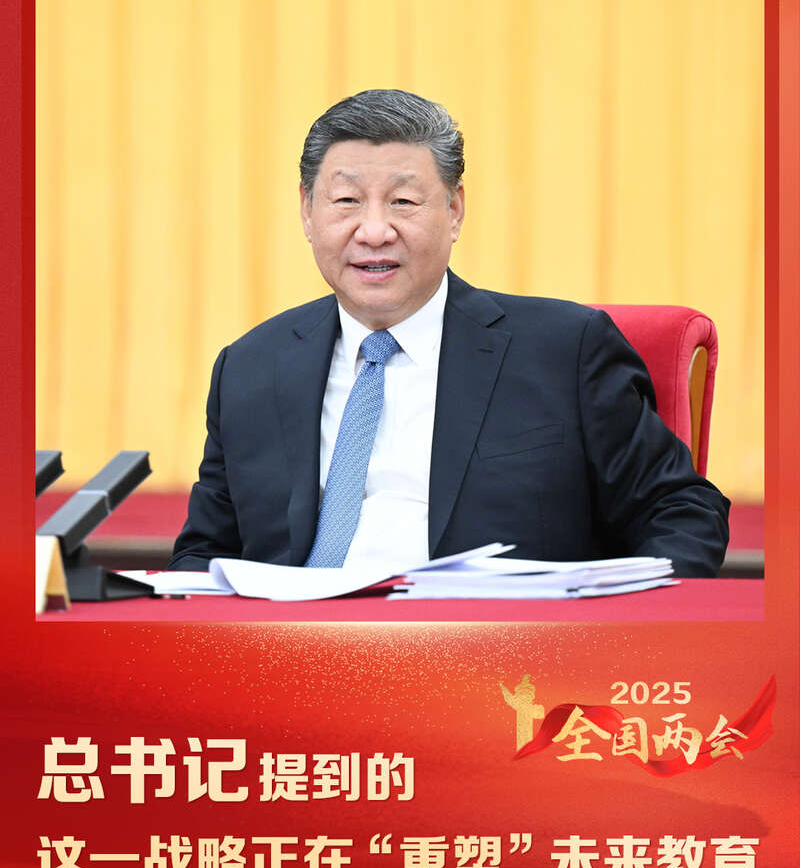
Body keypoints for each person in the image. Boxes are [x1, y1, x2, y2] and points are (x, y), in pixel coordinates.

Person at [170, 88, 729, 576]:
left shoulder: (565, 350)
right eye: (346, 201)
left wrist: (615, 639)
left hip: (489, 653)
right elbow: (205, 554)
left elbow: (680, 513)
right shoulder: (250, 367)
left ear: (455, 210)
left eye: (403, 202)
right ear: (307, 212)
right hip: (291, 653)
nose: (374, 231)